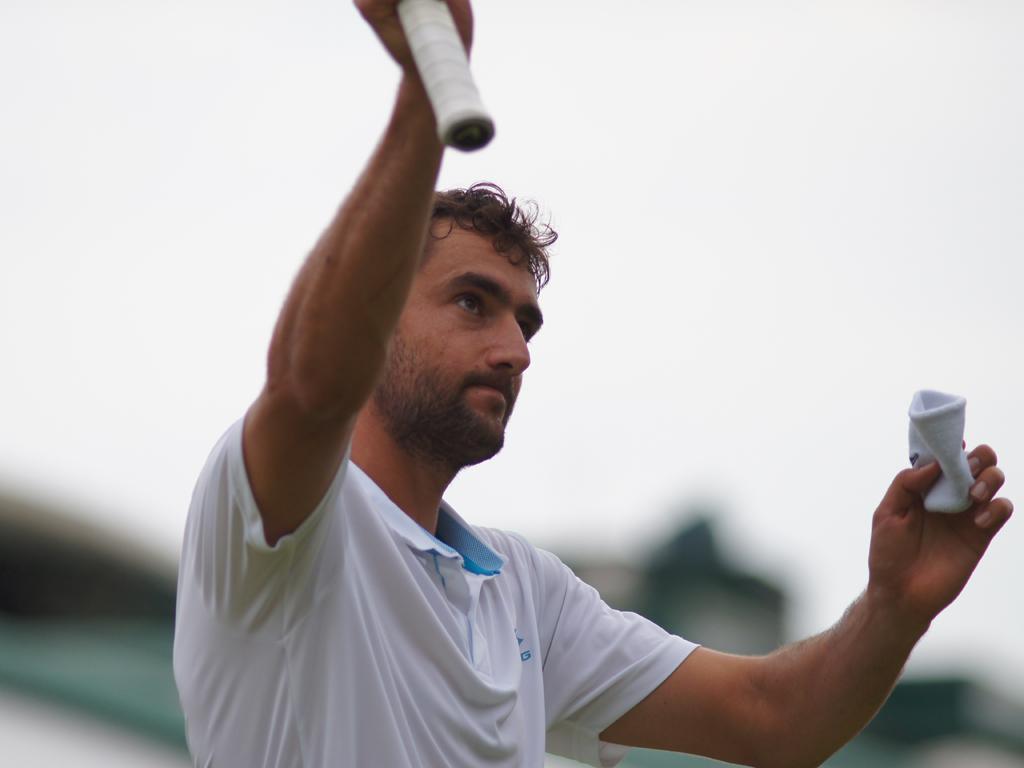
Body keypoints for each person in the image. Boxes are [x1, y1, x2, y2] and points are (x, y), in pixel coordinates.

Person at [172, 1, 1013, 766]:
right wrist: (424, 105)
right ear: (377, 311)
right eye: (473, 303)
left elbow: (773, 719)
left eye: (525, 323)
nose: (515, 350)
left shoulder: (525, 593)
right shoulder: (278, 521)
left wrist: (896, 604)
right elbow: (312, 384)